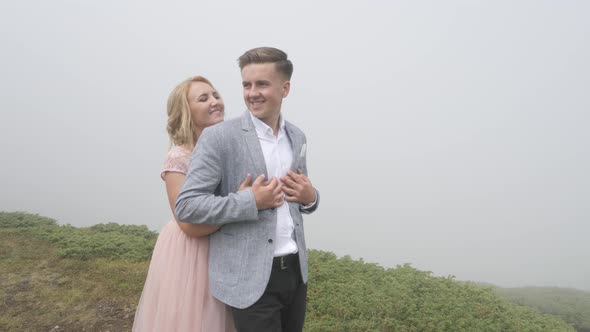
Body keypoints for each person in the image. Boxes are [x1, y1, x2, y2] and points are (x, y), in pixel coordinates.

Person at [175, 47, 319, 332]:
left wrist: (310, 197)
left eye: (262, 84)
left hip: (295, 272)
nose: (252, 93)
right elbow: (187, 206)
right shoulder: (219, 137)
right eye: (246, 84)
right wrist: (249, 201)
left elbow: (302, 197)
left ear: (285, 88)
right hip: (248, 278)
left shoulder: (297, 136)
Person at [133, 76, 237, 332]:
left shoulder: (228, 148)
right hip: (190, 251)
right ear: (186, 111)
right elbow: (188, 223)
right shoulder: (178, 158)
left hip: (223, 245)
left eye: (215, 95)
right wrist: (241, 207)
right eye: (203, 99)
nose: (215, 102)